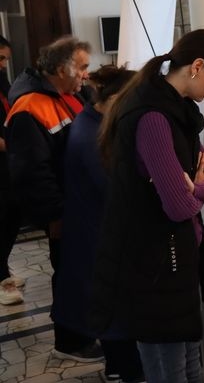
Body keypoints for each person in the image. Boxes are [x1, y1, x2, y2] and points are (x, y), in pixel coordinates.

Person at [90, 29, 204, 383]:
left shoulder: (178, 112)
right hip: (155, 269)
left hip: (177, 262)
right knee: (170, 372)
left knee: (191, 368)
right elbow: (178, 207)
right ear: (197, 66)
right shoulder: (152, 117)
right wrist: (195, 191)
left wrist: (196, 186)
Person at [5, 36, 98, 360]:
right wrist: (55, 215)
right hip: (65, 211)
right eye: (82, 67)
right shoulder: (29, 108)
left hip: (83, 206)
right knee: (71, 276)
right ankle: (71, 342)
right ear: (61, 69)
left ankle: (87, 331)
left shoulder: (73, 94)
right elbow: (31, 172)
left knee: (86, 274)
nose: (87, 74)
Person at [54, 65, 144, 382]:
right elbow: (115, 189)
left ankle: (119, 368)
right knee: (116, 311)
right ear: (116, 99)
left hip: (98, 233)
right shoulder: (92, 136)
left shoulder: (94, 122)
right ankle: (125, 371)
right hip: (99, 236)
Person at [0, 35, 25, 306]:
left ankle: (3, 268)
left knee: (12, 216)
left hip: (9, 163)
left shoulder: (3, 82)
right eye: (0, 59)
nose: (4, 64)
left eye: (5, 59)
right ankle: (2, 280)